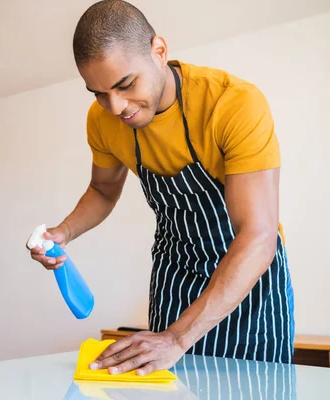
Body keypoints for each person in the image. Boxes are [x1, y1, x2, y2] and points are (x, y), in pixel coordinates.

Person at [27, 0, 294, 376]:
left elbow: (258, 236)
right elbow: (103, 191)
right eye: (98, 93)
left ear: (159, 51)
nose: (115, 106)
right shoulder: (103, 120)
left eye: (125, 84)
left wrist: (178, 338)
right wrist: (62, 233)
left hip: (247, 282)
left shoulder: (232, 103)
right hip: (176, 271)